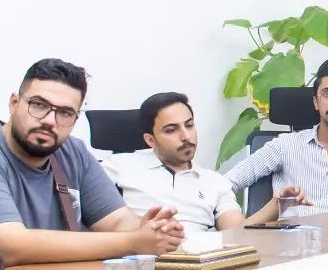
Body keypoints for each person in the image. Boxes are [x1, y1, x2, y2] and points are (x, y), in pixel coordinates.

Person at [0, 59, 184, 265]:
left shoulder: (73, 152)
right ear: (14, 103)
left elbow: (117, 222)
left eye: (65, 113)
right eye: (39, 105)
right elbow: (6, 247)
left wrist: (154, 231)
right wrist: (133, 243)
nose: (49, 121)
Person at [102, 92, 309, 233]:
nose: (185, 136)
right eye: (171, 130)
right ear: (150, 140)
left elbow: (237, 234)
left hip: (198, 266)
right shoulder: (118, 166)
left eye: (189, 125)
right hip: (139, 259)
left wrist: (278, 205)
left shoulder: (214, 183)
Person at [224, 58, 328, 215]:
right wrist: (235, 223)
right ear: (315, 102)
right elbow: (226, 183)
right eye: (327, 93)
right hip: (290, 237)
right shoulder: (285, 145)